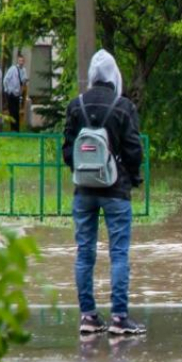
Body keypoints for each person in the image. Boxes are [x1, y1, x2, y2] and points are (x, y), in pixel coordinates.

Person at [62, 49, 145, 337]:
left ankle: (88, 316)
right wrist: (133, 176)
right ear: (114, 75)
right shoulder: (123, 107)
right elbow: (134, 150)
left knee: (84, 254)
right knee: (118, 253)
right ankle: (120, 319)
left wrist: (82, 171)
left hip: (83, 191)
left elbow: (67, 150)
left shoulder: (76, 106)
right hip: (116, 191)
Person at [2, 53, 27, 132]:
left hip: (18, 94)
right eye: (20, 60)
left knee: (17, 112)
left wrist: (22, 91)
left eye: (22, 61)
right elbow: (5, 80)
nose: (21, 62)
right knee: (12, 111)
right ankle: (13, 129)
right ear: (17, 61)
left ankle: (17, 129)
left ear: (24, 61)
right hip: (11, 93)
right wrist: (7, 90)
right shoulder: (12, 69)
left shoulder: (24, 70)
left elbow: (24, 81)